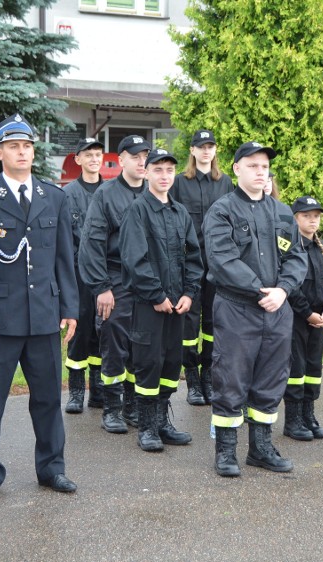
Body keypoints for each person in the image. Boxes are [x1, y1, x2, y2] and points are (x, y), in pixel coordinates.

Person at [0, 113, 78, 503]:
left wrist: (70, 307)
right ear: (0, 153)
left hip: (43, 314)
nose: (22, 152)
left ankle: (52, 468)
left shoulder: (54, 197)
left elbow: (64, 258)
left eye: (27, 146)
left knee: (47, 398)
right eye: (13, 146)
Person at [203, 141, 306, 477]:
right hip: (238, 310)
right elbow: (222, 260)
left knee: (271, 379)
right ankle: (226, 452)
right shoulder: (222, 210)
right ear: (236, 169)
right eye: (253, 166)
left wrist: (283, 290)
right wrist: (262, 289)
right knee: (230, 379)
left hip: (277, 310)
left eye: (264, 166)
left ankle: (261, 449)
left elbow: (297, 257)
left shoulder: (282, 212)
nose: (260, 172)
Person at [120, 148, 203, 451]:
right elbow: (134, 258)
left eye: (170, 170)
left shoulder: (179, 212)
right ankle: (146, 427)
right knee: (148, 362)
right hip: (148, 304)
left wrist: (189, 293)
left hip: (178, 305)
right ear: (147, 172)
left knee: (171, 362)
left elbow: (193, 257)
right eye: (158, 170)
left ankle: (162, 422)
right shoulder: (137, 210)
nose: (165, 176)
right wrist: (156, 295)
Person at [79, 134, 151, 434]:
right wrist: (102, 288)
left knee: (142, 348)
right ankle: (112, 408)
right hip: (116, 282)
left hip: (148, 287)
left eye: (144, 155)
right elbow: (92, 244)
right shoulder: (106, 194)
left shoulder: (154, 193)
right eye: (134, 156)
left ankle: (133, 406)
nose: (141, 161)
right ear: (120, 159)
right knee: (114, 348)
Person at [169, 129, 232, 406]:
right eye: (200, 147)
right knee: (189, 322)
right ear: (192, 151)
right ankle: (192, 379)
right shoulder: (180, 183)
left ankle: (209, 376)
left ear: (215, 151)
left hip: (217, 263)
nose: (206, 151)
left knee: (213, 322)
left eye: (210, 146)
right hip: (189, 264)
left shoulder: (226, 182)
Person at [283, 196, 323, 441]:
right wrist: (307, 313)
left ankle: (308, 414)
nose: (313, 220)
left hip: (318, 319)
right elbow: (290, 286)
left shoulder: (322, 247)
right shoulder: (290, 247)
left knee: (313, 368)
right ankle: (293, 420)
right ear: (295, 219)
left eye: (316, 216)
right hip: (297, 319)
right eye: (306, 216)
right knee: (297, 368)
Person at [62, 137, 105, 413]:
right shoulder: (67, 194)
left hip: (105, 276)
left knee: (103, 333)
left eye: (97, 154)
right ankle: (76, 392)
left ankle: (99, 391)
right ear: (77, 159)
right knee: (79, 333)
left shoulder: (111, 191)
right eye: (88, 155)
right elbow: (64, 241)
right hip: (78, 276)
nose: (93, 159)